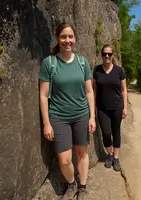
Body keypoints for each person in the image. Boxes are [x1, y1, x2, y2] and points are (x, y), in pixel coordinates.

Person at [39, 22, 96, 200]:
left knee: (82, 153)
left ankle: (83, 187)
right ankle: (72, 183)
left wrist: (92, 116)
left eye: (70, 36)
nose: (67, 40)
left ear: (75, 39)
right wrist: (47, 123)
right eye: (63, 37)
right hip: (59, 117)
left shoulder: (82, 62)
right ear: (58, 39)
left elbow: (89, 91)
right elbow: (43, 95)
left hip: (81, 115)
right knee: (64, 160)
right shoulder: (50, 63)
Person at [92, 44, 128, 172]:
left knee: (116, 131)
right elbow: (94, 90)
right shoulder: (97, 70)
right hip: (102, 108)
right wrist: (94, 107)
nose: (107, 56)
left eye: (109, 54)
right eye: (104, 54)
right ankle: (109, 154)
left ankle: (116, 158)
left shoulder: (119, 71)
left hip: (117, 107)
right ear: (101, 55)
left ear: (112, 56)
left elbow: (124, 90)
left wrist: (125, 107)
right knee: (106, 133)